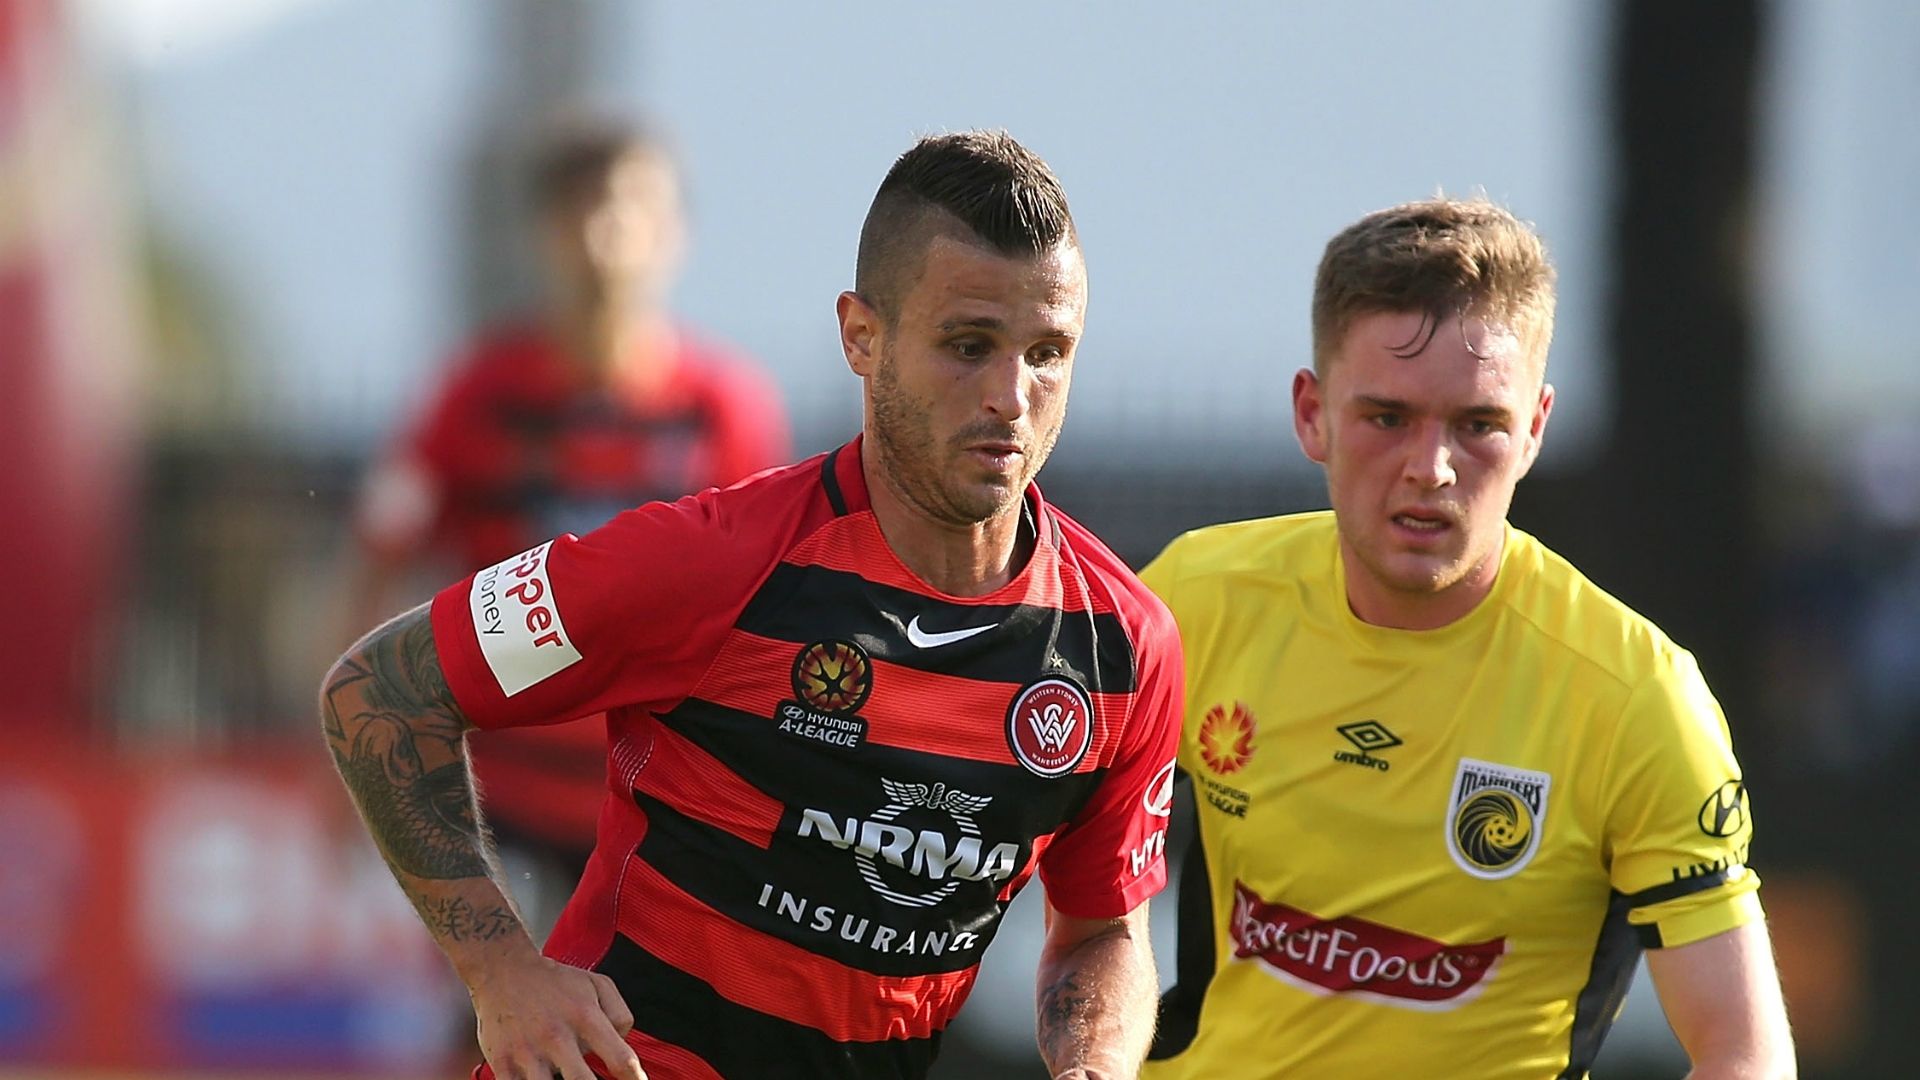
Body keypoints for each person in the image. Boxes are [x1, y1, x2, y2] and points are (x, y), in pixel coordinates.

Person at [322, 130, 1182, 1080]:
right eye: (967, 345)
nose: (1012, 397)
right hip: (524, 826)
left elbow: (1105, 930)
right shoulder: (709, 562)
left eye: (1048, 352)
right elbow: (378, 687)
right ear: (862, 335)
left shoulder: (1123, 647)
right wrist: (501, 974)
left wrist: (1096, 1066)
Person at [1139, 198, 1795, 1079]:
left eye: (1478, 424)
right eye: (1387, 417)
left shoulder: (1635, 697)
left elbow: (1743, 1052)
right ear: (1312, 414)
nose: (1431, 467)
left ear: (1534, 429)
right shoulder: (1195, 597)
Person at [347, 115, 790, 928]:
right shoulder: (474, 395)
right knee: (495, 1024)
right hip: (496, 792)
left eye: (628, 206)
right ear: (542, 232)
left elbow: (771, 603)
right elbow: (380, 555)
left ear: (675, 232)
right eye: (579, 206)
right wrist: (349, 750)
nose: (604, 232)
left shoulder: (726, 410)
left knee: (640, 1039)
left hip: (660, 794)